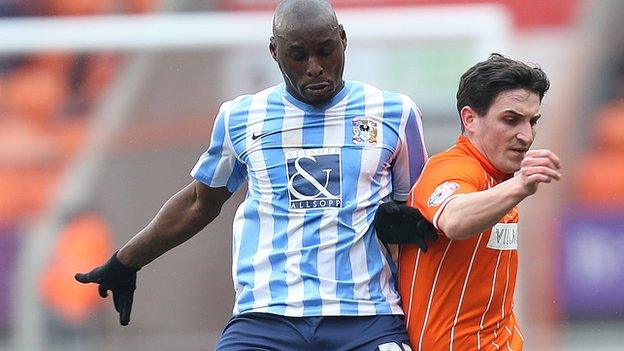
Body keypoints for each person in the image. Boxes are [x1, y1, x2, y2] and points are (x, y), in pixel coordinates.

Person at [75, 0, 431, 349]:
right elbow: (199, 203)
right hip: (266, 318)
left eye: (325, 50)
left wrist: (405, 218)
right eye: (298, 55)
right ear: (274, 51)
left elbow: (421, 211)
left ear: (342, 39)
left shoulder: (394, 113)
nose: (315, 66)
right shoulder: (241, 117)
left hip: (365, 316)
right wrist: (127, 260)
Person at [378, 54, 558, 350]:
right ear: (470, 119)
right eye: (511, 120)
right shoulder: (452, 168)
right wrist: (520, 185)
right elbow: (454, 219)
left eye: (532, 121)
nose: (526, 136)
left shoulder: (499, 183)